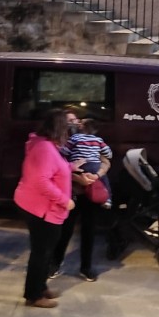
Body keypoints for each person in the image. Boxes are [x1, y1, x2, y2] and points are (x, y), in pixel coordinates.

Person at [14, 109, 75, 308]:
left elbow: (51, 170)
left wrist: (69, 168)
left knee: (46, 251)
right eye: (67, 127)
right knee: (41, 252)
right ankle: (33, 295)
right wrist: (64, 201)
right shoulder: (44, 149)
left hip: (43, 208)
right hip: (41, 210)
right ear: (58, 128)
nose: (69, 131)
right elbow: (40, 180)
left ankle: (40, 287)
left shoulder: (44, 145)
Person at [52, 114, 110, 282]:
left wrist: (96, 175)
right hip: (70, 192)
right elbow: (57, 166)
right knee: (65, 230)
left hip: (91, 192)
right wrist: (78, 178)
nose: (74, 123)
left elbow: (106, 160)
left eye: (76, 120)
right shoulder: (61, 141)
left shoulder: (93, 140)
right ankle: (55, 262)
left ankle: (86, 267)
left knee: (89, 230)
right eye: (70, 120)